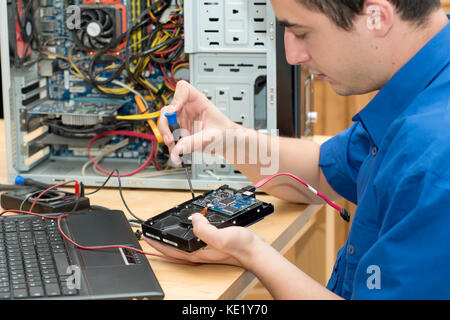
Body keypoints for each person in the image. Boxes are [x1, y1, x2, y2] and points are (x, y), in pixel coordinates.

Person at [145, 0, 450, 299]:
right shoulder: (423, 88)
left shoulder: (434, 152)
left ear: (376, 17)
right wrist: (226, 137)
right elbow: (322, 174)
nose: (292, 55)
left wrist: (251, 253)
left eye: (302, 33)